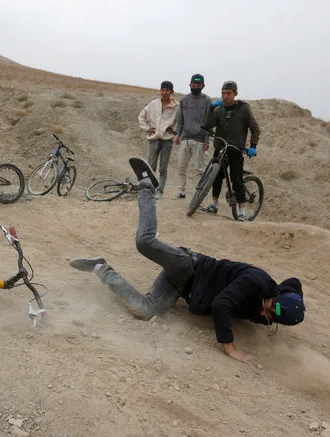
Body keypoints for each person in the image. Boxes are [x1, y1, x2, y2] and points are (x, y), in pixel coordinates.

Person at [69, 157, 305, 363]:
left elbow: (294, 283)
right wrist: (230, 348)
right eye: (270, 310)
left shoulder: (274, 305)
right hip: (190, 266)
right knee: (145, 242)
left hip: (180, 287)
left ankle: (100, 268)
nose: (266, 316)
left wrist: (289, 305)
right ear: (276, 296)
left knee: (145, 310)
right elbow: (221, 305)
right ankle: (147, 187)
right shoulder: (257, 282)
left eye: (272, 318)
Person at [203, 80, 260, 221]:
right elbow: (208, 124)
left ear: (235, 93)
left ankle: (242, 212)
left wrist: (253, 146)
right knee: (216, 178)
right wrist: (211, 109)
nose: (225, 96)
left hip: (235, 149)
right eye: (223, 93)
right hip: (220, 148)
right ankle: (214, 205)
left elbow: (255, 128)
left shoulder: (243, 109)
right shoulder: (219, 109)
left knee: (237, 181)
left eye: (228, 93)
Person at [138, 81, 179, 197]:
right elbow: (141, 116)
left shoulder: (177, 106)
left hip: (167, 140)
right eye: (163, 90)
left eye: (167, 90)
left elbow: (180, 121)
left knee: (163, 167)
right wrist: (147, 128)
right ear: (160, 91)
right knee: (151, 165)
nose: (165, 92)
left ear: (172, 92)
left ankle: (160, 191)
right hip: (154, 139)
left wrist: (174, 130)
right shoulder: (154, 104)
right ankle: (149, 189)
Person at [174, 74, 212, 199]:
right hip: (185, 138)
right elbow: (180, 119)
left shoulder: (207, 100)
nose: (195, 86)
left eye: (198, 85)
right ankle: (181, 191)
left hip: (200, 139)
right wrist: (178, 135)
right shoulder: (184, 100)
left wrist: (207, 140)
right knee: (181, 167)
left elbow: (209, 121)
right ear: (190, 84)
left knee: (199, 170)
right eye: (193, 84)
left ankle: (199, 194)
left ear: (203, 86)